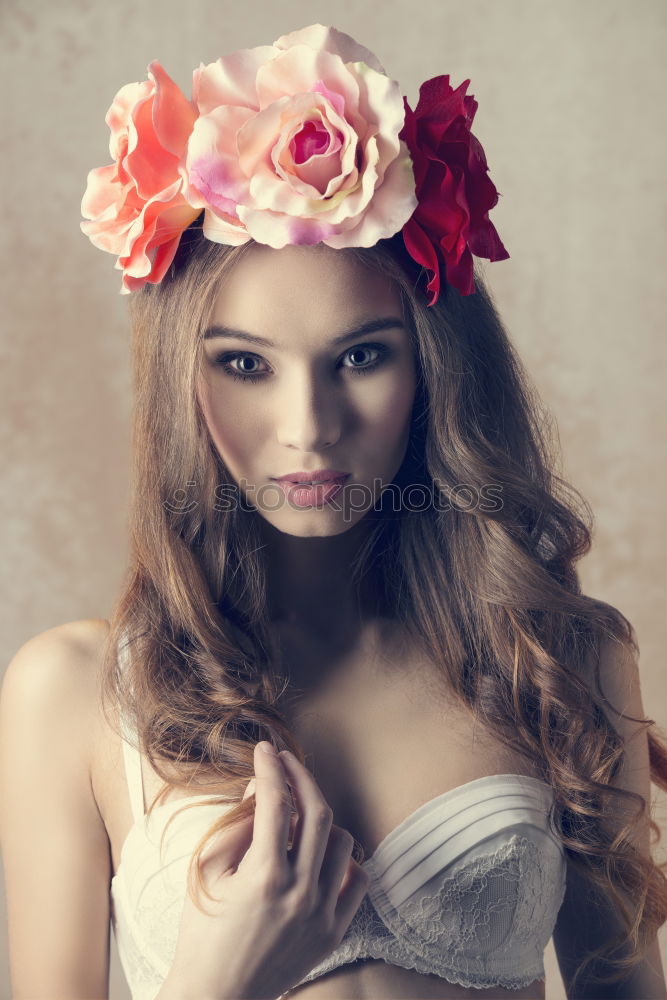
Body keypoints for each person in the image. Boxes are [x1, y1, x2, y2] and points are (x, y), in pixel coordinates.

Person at [1, 22, 666, 1000]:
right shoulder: (72, 693)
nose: (306, 428)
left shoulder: (557, 662)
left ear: (431, 369)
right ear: (184, 384)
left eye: (359, 356)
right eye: (244, 364)